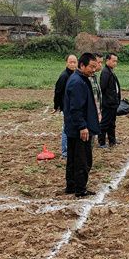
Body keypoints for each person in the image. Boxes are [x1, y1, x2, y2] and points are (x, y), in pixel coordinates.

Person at [64, 53, 101, 197]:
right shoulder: (78, 82)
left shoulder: (81, 79)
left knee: (73, 158)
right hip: (80, 129)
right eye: (91, 67)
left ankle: (72, 186)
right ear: (82, 65)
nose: (93, 69)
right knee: (82, 159)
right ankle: (80, 188)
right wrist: (82, 126)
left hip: (75, 128)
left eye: (95, 66)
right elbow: (76, 108)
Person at [53, 54, 77, 158]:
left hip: (73, 106)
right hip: (66, 107)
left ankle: (70, 149)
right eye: (70, 62)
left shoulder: (75, 74)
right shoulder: (64, 76)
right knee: (66, 128)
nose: (72, 64)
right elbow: (58, 92)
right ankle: (65, 151)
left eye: (74, 62)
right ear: (66, 63)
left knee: (71, 127)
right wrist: (56, 106)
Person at [98, 52, 121, 148]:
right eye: (113, 61)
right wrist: (109, 99)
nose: (115, 63)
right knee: (105, 123)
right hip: (108, 103)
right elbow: (103, 88)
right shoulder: (105, 72)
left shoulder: (110, 71)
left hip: (113, 103)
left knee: (112, 123)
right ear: (107, 60)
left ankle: (112, 140)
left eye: (116, 61)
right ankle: (102, 142)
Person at [90, 53, 104, 146]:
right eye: (99, 62)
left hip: (95, 115)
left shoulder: (95, 77)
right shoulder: (88, 78)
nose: (101, 65)